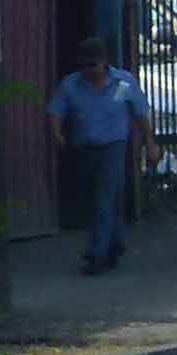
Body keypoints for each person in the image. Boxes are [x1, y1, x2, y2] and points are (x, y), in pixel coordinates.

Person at [49, 37, 152, 277]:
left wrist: (150, 141)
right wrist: (57, 133)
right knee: (99, 200)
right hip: (83, 148)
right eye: (84, 65)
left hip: (113, 148)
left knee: (103, 199)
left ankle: (97, 254)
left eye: (92, 65)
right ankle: (115, 243)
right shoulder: (71, 85)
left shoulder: (123, 82)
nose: (88, 70)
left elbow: (141, 113)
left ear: (104, 62)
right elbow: (56, 111)